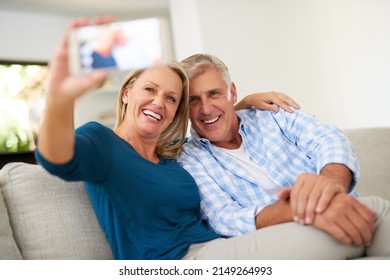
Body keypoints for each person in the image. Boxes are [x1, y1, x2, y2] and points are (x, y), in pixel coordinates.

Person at [34, 17, 313, 260]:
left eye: (170, 98)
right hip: (176, 261)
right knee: (326, 230)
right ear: (127, 92)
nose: (158, 103)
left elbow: (208, 121)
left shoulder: (174, 156)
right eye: (150, 89)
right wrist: (60, 99)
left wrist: (241, 103)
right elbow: (57, 157)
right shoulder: (102, 143)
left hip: (225, 247)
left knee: (327, 225)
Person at [177, 53, 390, 258]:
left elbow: (328, 139)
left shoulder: (273, 115)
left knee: (376, 217)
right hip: (283, 241)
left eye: (213, 93)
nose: (205, 109)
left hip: (343, 211)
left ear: (232, 92)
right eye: (193, 100)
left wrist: (330, 185)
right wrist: (307, 207)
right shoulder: (189, 159)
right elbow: (225, 217)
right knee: (377, 210)